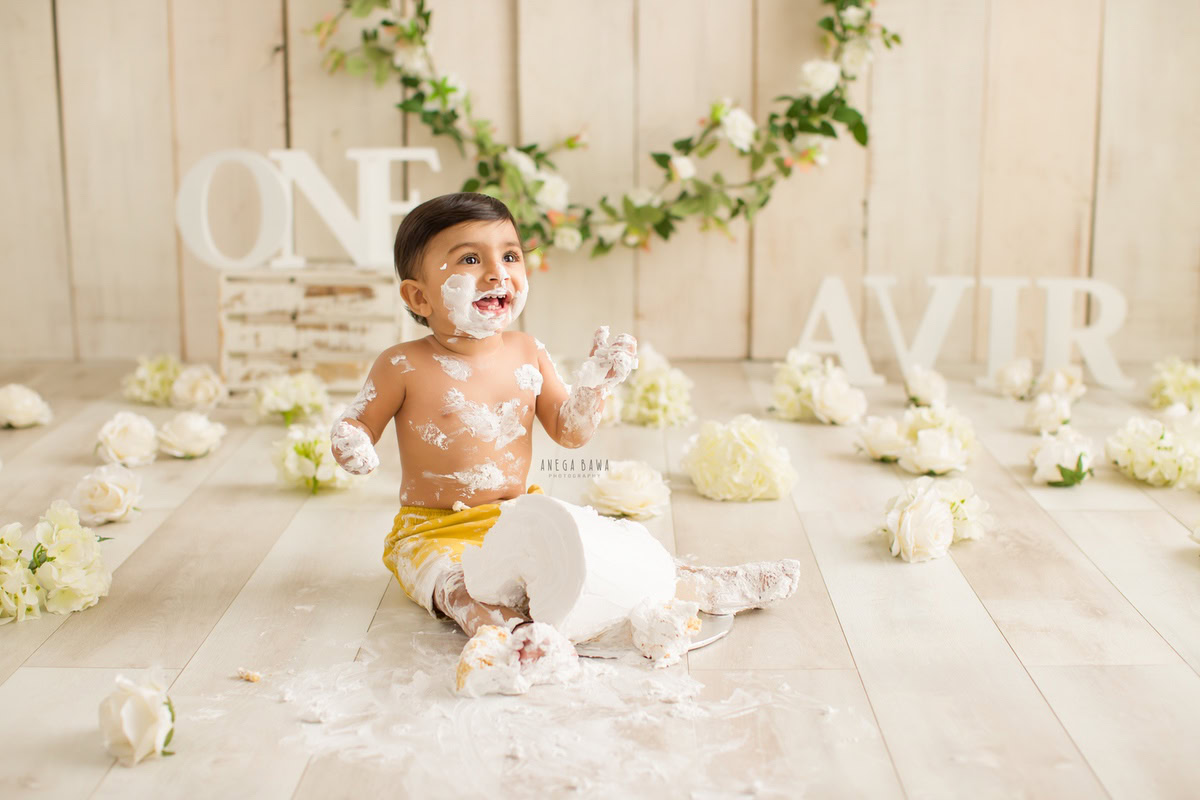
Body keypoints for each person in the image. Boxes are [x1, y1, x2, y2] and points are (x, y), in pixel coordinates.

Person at [329, 192, 800, 671]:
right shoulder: (402, 364)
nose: (497, 273)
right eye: (470, 259)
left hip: (518, 516)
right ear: (419, 296)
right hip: (432, 533)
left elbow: (569, 433)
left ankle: (706, 584)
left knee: (601, 554)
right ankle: (520, 635)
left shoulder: (527, 351)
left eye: (510, 256)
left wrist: (594, 387)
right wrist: (351, 440)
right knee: (462, 587)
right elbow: (357, 422)